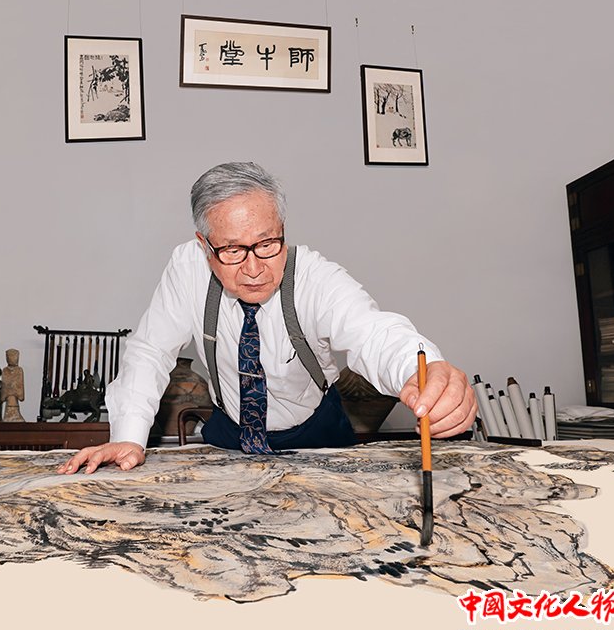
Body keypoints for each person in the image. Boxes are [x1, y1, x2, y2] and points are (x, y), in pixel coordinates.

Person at [58, 162, 476, 475]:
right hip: (229, 436)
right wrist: (128, 437)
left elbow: (374, 333)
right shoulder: (187, 269)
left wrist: (423, 371)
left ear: (282, 230)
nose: (255, 268)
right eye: (232, 250)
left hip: (318, 438)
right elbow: (150, 350)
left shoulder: (314, 277)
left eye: (267, 244)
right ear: (204, 245)